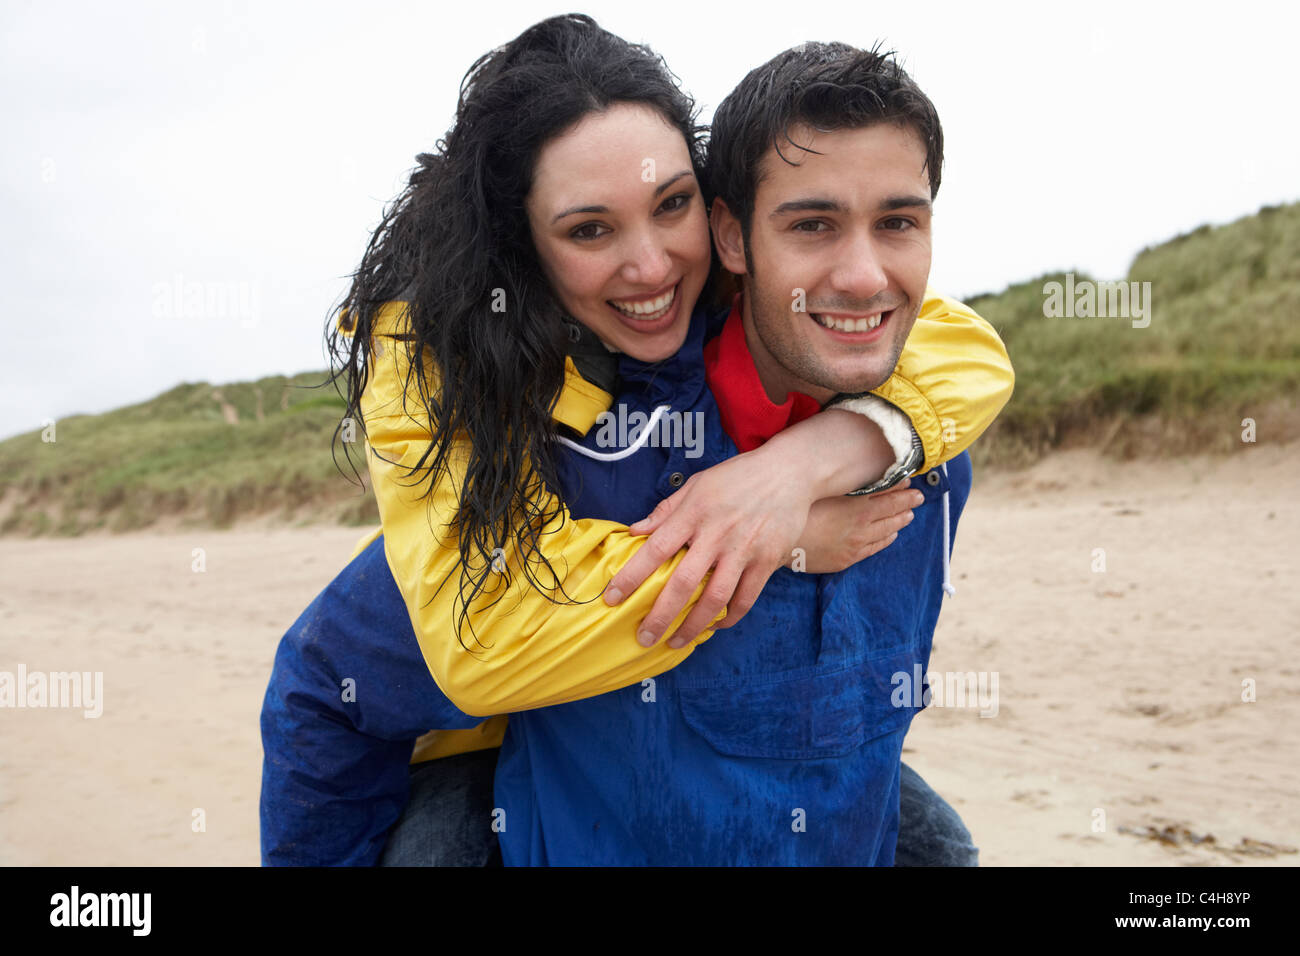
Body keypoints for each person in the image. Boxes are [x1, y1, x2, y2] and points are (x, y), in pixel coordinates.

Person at [260, 15, 1011, 865]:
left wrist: (821, 457)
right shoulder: (517, 435)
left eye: (670, 206)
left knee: (936, 845)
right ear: (522, 250)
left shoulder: (915, 431)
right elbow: (455, 645)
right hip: (443, 747)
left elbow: (965, 346)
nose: (653, 266)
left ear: (717, 223)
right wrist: (778, 538)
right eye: (589, 230)